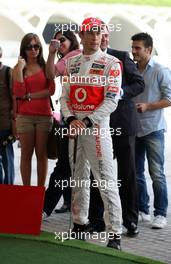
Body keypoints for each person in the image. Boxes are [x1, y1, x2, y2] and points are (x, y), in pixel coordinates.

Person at [60, 17, 123, 250]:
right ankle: (79, 224)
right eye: (91, 32)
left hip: (97, 131)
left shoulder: (112, 63)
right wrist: (70, 119)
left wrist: (86, 121)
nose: (96, 37)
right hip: (75, 130)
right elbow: (64, 96)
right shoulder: (71, 63)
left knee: (106, 180)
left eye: (99, 33)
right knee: (78, 178)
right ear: (82, 35)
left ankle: (115, 233)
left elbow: (112, 101)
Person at [88, 23, 145, 236]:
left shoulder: (121, 56)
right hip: (97, 126)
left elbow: (139, 84)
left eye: (103, 34)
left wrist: (119, 92)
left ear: (107, 36)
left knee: (127, 173)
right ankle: (97, 220)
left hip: (123, 124)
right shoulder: (87, 61)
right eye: (96, 34)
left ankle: (130, 220)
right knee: (98, 173)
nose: (100, 38)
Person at [131, 32, 171, 228]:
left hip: (153, 129)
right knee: (136, 172)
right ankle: (143, 208)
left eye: (138, 48)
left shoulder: (160, 70)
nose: (134, 51)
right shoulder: (131, 69)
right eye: (133, 47)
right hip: (134, 128)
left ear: (148, 49)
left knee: (156, 173)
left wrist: (148, 106)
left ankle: (161, 213)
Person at [43, 29, 80, 217]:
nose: (59, 43)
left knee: (70, 165)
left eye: (62, 40)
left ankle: (46, 207)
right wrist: (50, 52)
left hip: (86, 117)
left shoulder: (79, 55)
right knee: (65, 163)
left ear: (72, 40)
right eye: (56, 41)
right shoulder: (63, 60)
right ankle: (47, 206)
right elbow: (50, 75)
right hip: (68, 117)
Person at [13, 33, 55, 186]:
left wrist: (29, 95)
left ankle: (39, 191)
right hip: (24, 117)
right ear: (24, 49)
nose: (33, 50)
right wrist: (20, 69)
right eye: (29, 47)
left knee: (41, 154)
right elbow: (18, 93)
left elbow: (51, 89)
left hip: (44, 116)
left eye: (36, 46)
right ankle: (26, 191)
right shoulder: (18, 68)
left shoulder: (45, 67)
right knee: (26, 155)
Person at [0, 46, 15, 184]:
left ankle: (9, 190)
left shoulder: (7, 72)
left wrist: (14, 123)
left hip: (5, 125)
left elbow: (14, 98)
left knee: (7, 161)